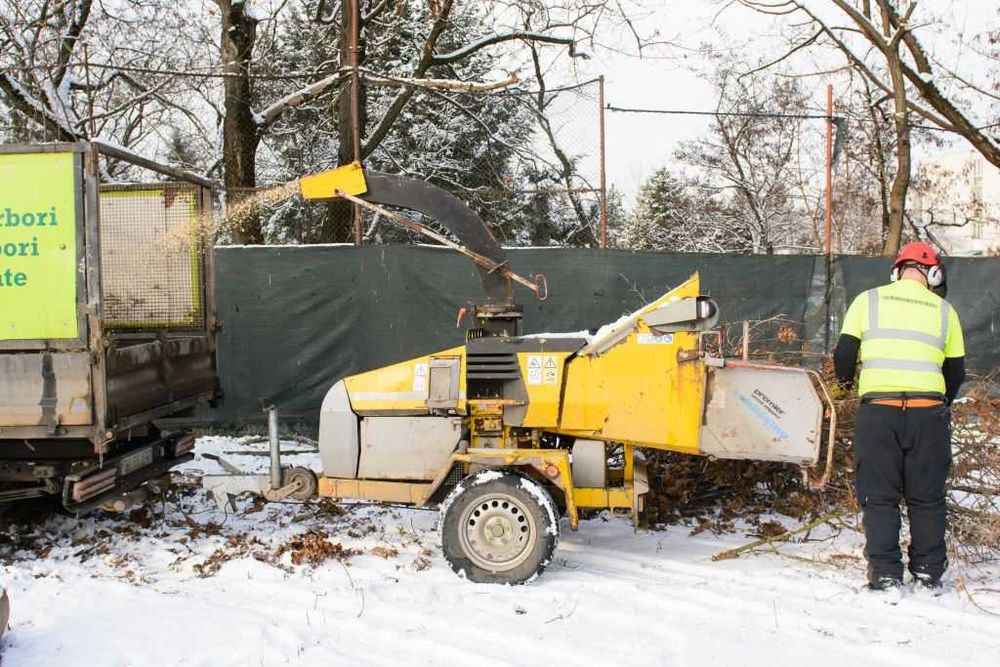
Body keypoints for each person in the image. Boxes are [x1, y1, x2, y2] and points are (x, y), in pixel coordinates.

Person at [833, 241, 965, 591]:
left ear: (897, 270)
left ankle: (886, 573)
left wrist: (845, 387)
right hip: (928, 414)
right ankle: (928, 572)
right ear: (933, 273)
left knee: (879, 496)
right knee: (927, 497)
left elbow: (844, 356)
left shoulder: (868, 301)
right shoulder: (944, 311)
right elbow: (956, 372)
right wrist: (940, 405)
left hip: (878, 413)